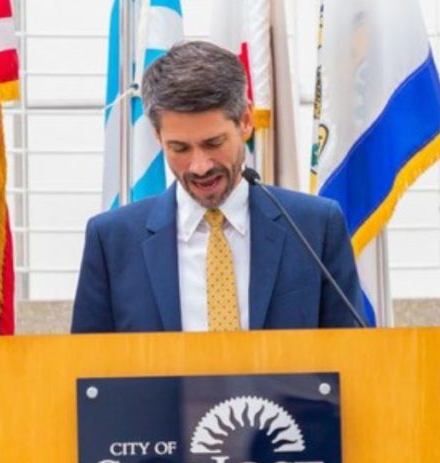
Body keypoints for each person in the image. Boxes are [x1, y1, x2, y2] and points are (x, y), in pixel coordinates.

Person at [72, 41, 365, 334]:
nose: (200, 166)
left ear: (246, 122)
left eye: (213, 143)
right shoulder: (112, 241)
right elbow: (87, 371)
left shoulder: (314, 227)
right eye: (179, 148)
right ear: (158, 136)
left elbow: (349, 357)